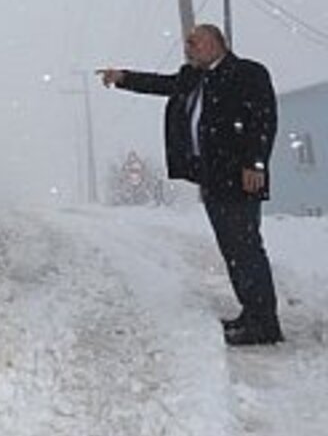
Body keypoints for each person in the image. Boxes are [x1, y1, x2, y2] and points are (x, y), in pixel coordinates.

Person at [97, 24, 283, 346]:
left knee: (245, 247)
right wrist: (123, 77)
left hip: (239, 176)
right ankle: (251, 314)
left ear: (215, 43)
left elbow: (264, 120)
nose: (188, 48)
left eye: (193, 42)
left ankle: (264, 324)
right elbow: (161, 84)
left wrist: (255, 162)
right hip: (212, 176)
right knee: (233, 250)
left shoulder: (247, 73)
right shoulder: (194, 77)